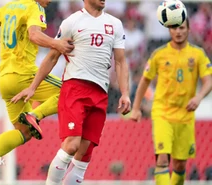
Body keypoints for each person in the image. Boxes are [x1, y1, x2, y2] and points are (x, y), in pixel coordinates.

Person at [12, 0, 131, 184]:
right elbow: (52, 56)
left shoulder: (115, 24)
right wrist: (33, 87)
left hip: (100, 94)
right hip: (75, 89)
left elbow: (121, 61)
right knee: (72, 145)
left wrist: (125, 93)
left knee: (84, 155)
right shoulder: (72, 22)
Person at [0, 0, 74, 184]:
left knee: (24, 132)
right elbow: (34, 35)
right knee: (71, 91)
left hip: (4, 79)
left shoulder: (7, 7)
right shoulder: (34, 7)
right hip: (24, 75)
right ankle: (35, 114)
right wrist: (56, 44)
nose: (50, 1)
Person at [130, 19, 212, 185]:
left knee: (180, 164)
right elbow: (144, 81)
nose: (178, 32)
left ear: (189, 29)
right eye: (174, 28)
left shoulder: (198, 54)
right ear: (169, 31)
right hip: (163, 113)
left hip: (185, 115)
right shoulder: (159, 54)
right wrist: (136, 107)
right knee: (162, 159)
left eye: (182, 28)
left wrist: (198, 97)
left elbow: (209, 81)